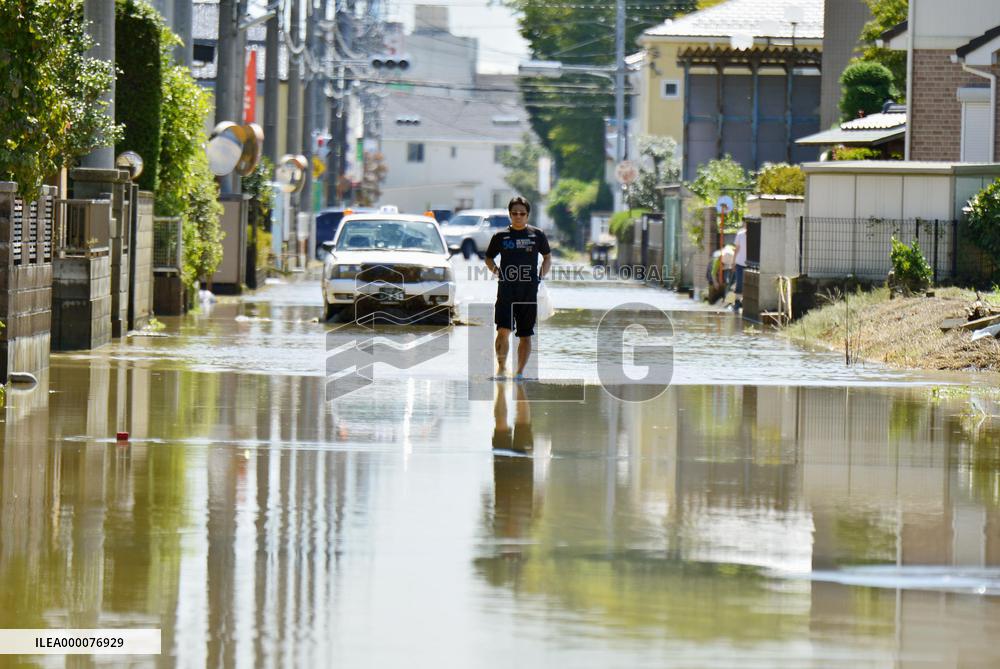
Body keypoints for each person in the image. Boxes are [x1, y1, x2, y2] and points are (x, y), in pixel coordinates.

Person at [484, 196, 551, 379]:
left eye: (522, 213)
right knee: (503, 330)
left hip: (529, 290)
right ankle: (501, 368)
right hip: (506, 289)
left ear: (528, 215)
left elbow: (547, 257)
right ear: (510, 214)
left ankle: (520, 373)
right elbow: (488, 258)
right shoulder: (500, 236)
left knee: (525, 334)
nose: (518, 216)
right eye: (514, 213)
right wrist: (498, 272)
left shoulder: (537, 235)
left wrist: (540, 276)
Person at [732, 221, 747, 311]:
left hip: (749, 264)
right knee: (739, 283)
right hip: (739, 263)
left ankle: (743, 302)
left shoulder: (755, 234)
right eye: (745, 223)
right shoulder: (740, 234)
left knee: (746, 284)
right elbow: (736, 249)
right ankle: (737, 302)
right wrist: (733, 262)